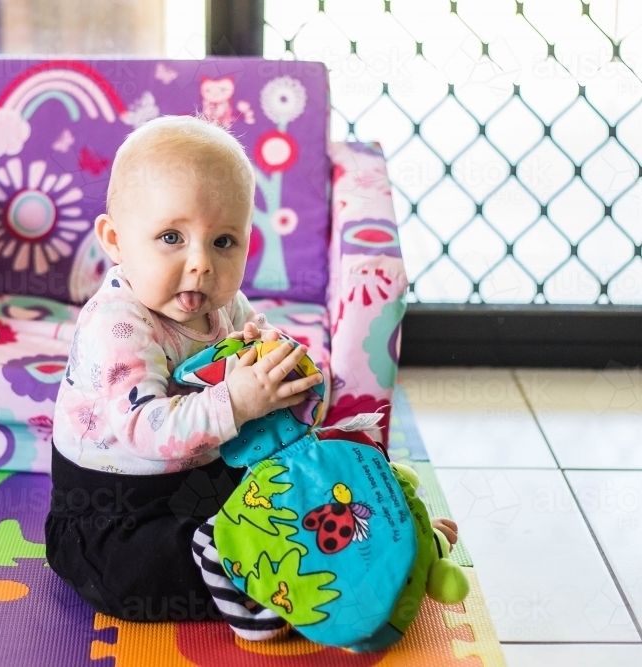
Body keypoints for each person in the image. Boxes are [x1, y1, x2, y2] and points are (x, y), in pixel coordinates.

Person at [44, 114, 457, 638]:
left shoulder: (225, 306)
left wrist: (293, 382)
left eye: (223, 242)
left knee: (299, 482)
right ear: (116, 240)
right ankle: (246, 571)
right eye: (172, 236)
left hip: (203, 479)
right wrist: (237, 403)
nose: (201, 264)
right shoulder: (117, 324)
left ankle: (386, 537)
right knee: (141, 573)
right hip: (114, 513)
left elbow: (268, 394)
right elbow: (143, 430)